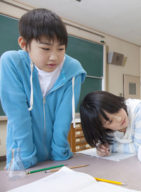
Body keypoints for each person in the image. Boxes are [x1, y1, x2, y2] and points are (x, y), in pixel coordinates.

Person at [0, 9, 86, 169]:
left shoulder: (73, 70)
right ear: (24, 44)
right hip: (22, 157)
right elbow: (18, 115)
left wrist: (60, 154)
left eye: (61, 49)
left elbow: (64, 116)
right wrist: (26, 157)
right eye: (46, 49)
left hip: (57, 156)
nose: (54, 57)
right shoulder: (11, 63)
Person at [80, 91, 141, 156]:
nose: (119, 118)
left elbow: (140, 148)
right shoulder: (105, 129)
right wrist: (102, 148)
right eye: (110, 121)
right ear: (102, 128)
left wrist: (111, 147)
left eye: (116, 110)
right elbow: (102, 143)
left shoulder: (138, 108)